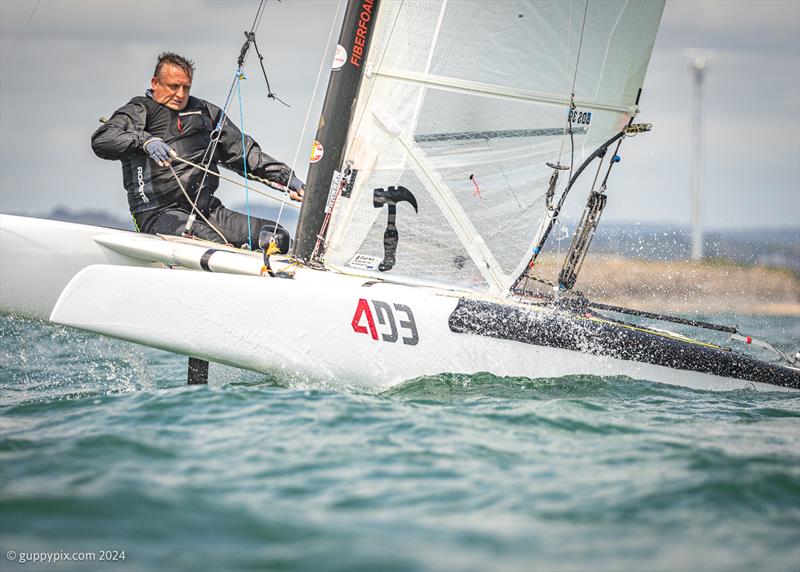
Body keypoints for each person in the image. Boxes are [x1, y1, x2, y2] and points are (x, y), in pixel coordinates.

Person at [91, 52, 302, 251]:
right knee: (214, 244)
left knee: (277, 238)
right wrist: (145, 141)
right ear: (155, 83)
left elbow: (244, 154)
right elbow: (103, 140)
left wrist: (289, 179)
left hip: (208, 211)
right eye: (174, 86)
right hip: (158, 215)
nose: (180, 94)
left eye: (186, 87)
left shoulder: (206, 113)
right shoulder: (141, 110)